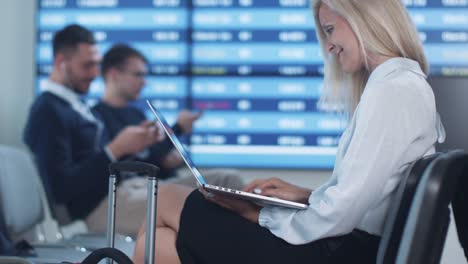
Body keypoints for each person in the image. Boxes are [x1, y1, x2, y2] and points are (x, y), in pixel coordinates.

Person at [132, 0, 446, 263]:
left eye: (330, 29)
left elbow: (343, 213)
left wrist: (258, 215)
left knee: (166, 199)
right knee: (159, 243)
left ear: (362, 16)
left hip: (339, 253)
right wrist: (305, 196)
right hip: (353, 248)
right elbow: (369, 197)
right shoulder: (402, 85)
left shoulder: (391, 91)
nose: (329, 46)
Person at [23, 24, 165, 236]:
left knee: (214, 186)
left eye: (97, 65)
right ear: (61, 63)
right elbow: (61, 188)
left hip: (120, 192)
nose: (95, 74)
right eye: (87, 66)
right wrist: (114, 150)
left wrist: (132, 145)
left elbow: (92, 161)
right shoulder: (48, 111)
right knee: (188, 204)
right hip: (96, 208)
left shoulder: (75, 106)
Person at [92, 44, 242, 188]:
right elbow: (124, 167)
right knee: (226, 179)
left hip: (156, 185)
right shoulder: (96, 118)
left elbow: (150, 158)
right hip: (135, 191)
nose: (144, 82)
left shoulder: (135, 114)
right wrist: (177, 129)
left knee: (226, 181)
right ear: (113, 74)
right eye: (138, 75)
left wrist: (168, 160)